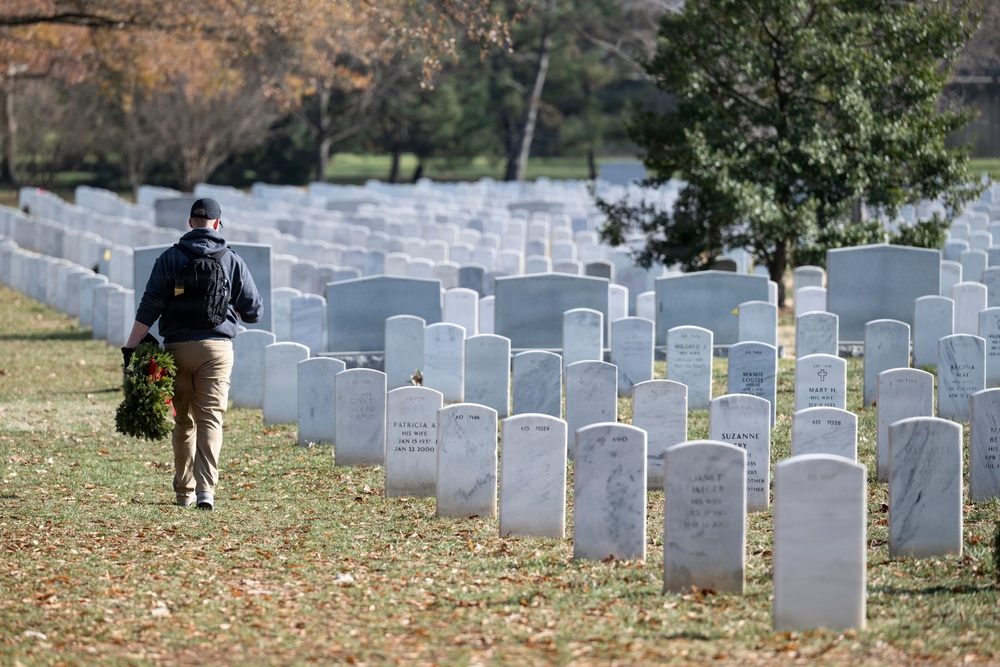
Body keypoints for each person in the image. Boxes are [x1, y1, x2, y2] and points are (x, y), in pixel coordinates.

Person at [122, 198, 262, 511]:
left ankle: (183, 493)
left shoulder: (170, 258)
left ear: (190, 223)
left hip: (176, 348)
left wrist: (131, 347)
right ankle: (206, 493)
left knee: (184, 421)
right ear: (217, 224)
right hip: (217, 349)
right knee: (211, 419)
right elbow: (254, 312)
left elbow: (150, 306)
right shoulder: (231, 259)